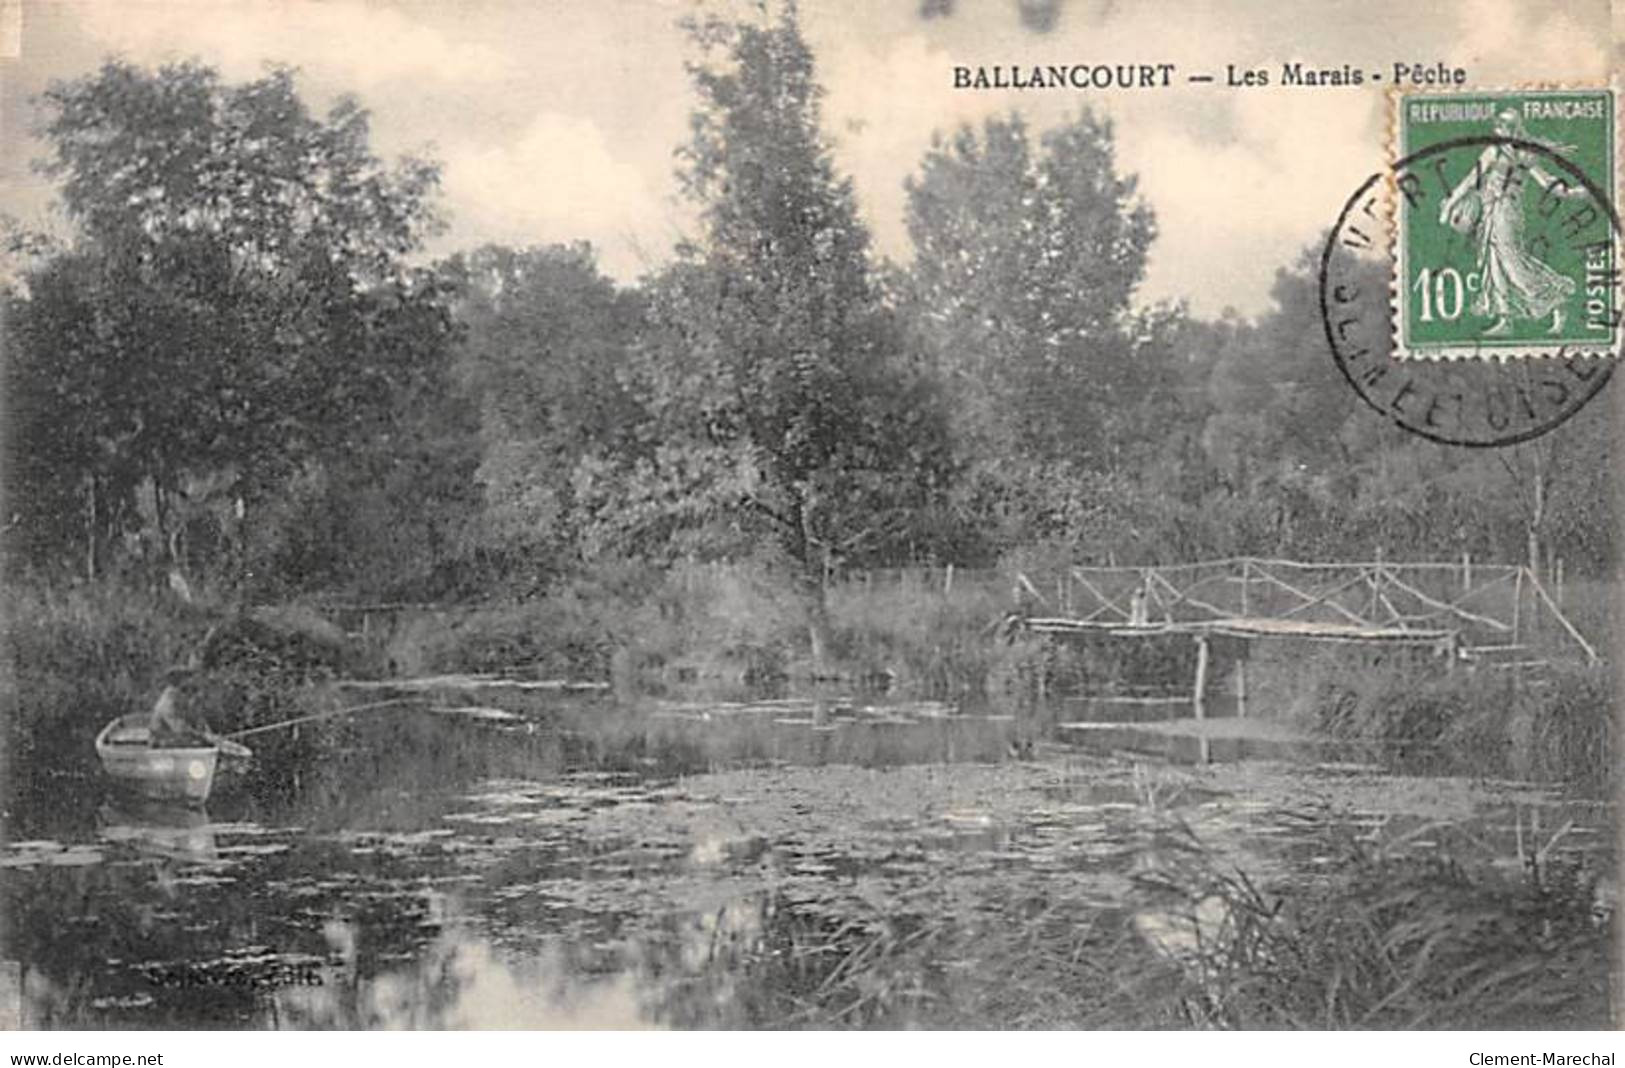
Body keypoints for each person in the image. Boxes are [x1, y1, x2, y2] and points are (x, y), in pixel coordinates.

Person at [1438, 109, 1587, 337]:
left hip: (1507, 211)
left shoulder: (1521, 155)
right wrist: (1450, 205)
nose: (1498, 132)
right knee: (1493, 262)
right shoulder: (1497, 152)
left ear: (1512, 129)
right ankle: (1505, 318)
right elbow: (1471, 180)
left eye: (1502, 127)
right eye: (1497, 127)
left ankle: (1556, 299)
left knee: (1512, 261)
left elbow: (1545, 181)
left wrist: (1571, 193)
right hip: (1491, 210)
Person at [149, 665, 213, 747]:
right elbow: (178, 727)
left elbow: (192, 718)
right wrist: (199, 735)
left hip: (175, 739)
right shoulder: (167, 702)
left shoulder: (180, 699)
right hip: (161, 743)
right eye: (187, 677)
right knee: (200, 744)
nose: (190, 681)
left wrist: (204, 729)